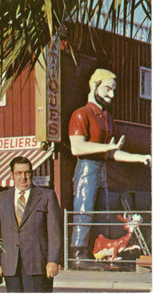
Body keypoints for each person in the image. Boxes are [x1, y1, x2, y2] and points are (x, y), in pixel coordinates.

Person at [68, 68, 151, 269]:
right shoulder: (81, 114)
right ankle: (78, 254)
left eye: (113, 90)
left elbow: (112, 153)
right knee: (84, 210)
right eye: (107, 89)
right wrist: (108, 147)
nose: (111, 95)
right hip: (87, 168)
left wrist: (139, 158)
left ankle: (98, 252)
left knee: (103, 212)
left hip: (102, 168)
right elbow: (77, 147)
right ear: (94, 86)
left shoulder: (106, 117)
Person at [0, 156, 62, 292]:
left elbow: (55, 232)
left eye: (27, 172)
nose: (23, 177)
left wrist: (53, 260)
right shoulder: (1, 199)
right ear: (11, 175)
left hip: (38, 265)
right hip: (11, 265)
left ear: (32, 173)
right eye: (18, 173)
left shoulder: (46, 196)